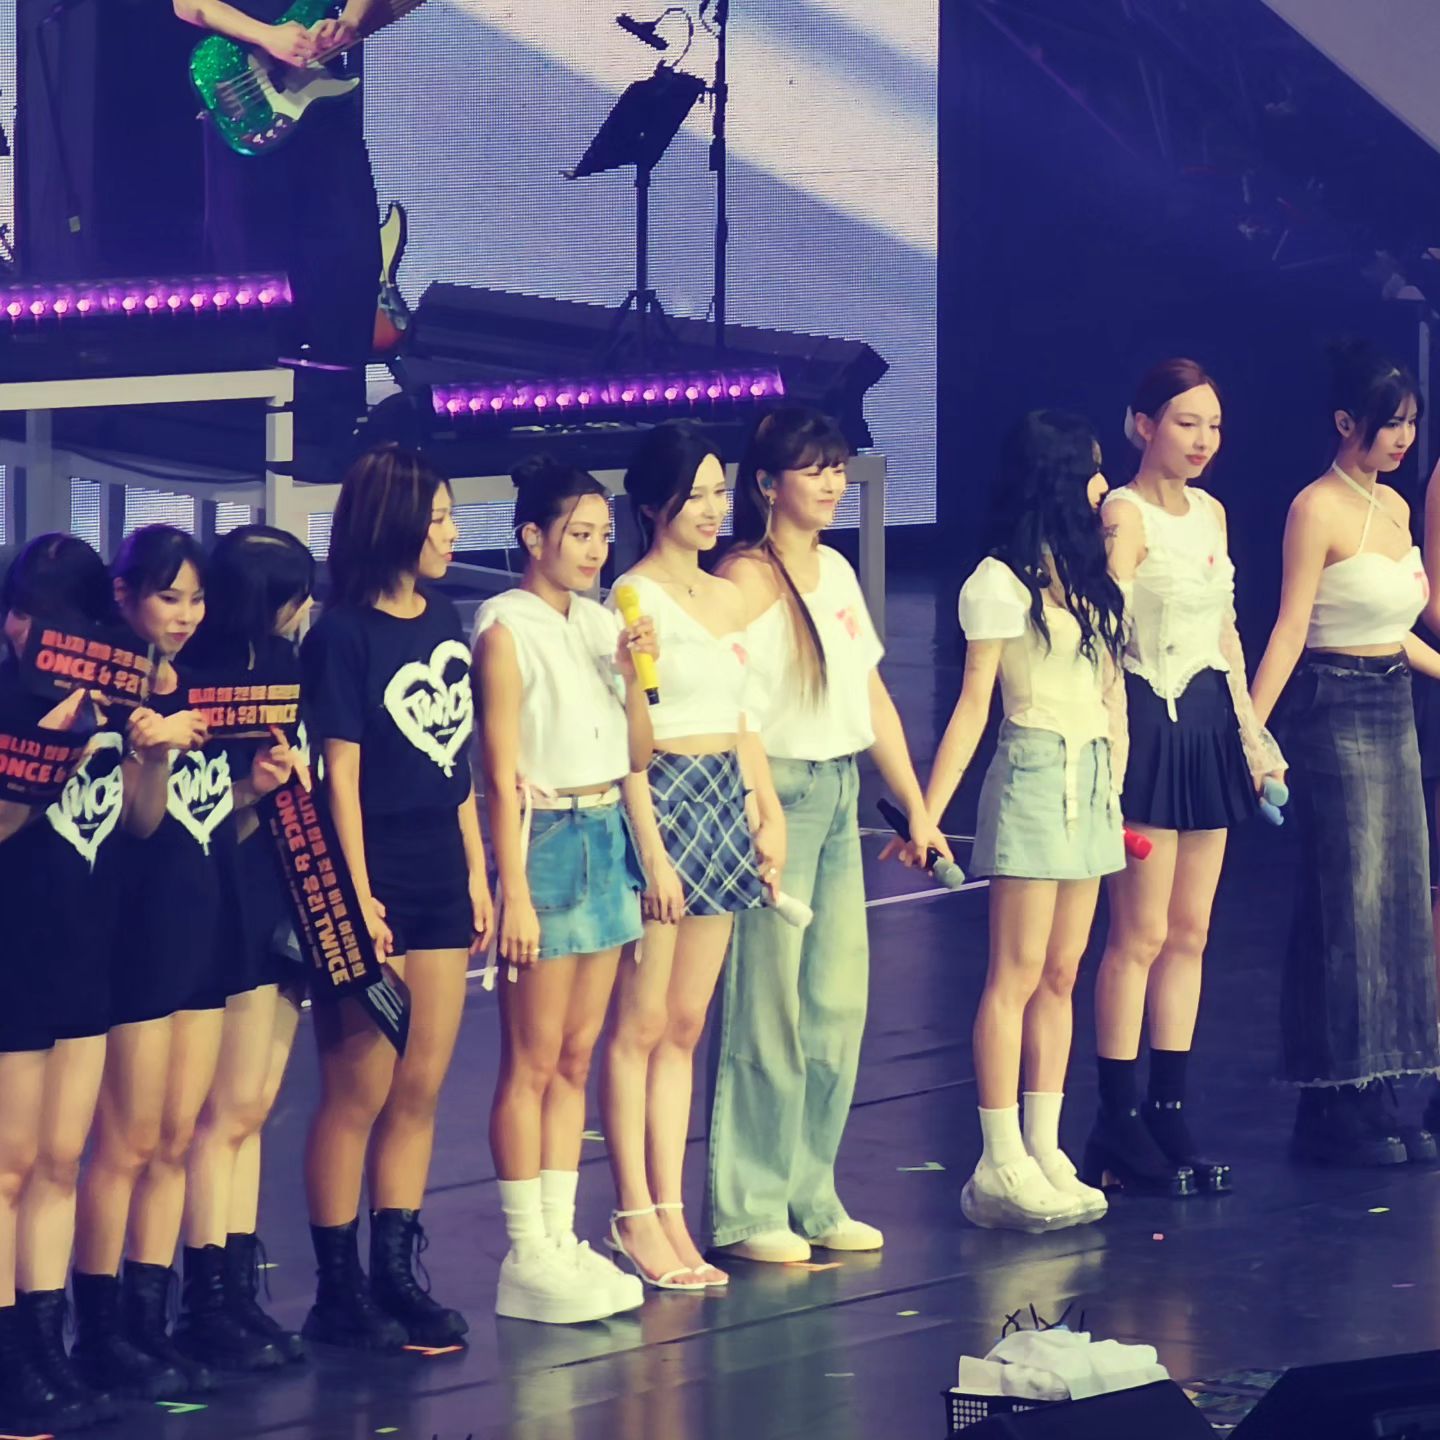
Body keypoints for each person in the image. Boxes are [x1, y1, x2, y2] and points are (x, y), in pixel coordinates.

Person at [707, 405, 950, 1264]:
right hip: (775, 794)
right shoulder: (744, 577)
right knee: (765, 1008)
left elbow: (869, 694)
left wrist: (917, 805)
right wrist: (757, 803)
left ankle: (812, 1192)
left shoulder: (837, 571)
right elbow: (723, 698)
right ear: (767, 484)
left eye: (839, 467)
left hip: (839, 791)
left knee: (836, 1005)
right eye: (813, 469)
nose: (832, 483)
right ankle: (749, 1208)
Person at [72, 526, 298, 1391]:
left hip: (204, 927)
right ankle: (99, 1331)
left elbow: (202, 821)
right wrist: (149, 744)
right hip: (133, 935)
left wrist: (251, 790)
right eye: (169, 596)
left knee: (174, 1136)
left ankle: (153, 1318)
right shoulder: (106, 697)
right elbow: (133, 827)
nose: (186, 614)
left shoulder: (200, 688)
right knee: (126, 1142)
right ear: (125, 596)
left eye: (196, 598)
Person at [300, 447, 492, 1350]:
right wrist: (357, 894)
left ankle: (396, 1274)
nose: (451, 534)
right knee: (357, 1091)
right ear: (396, 523)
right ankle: (338, 1291)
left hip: (440, 871)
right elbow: (339, 776)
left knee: (419, 1087)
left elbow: (457, 763)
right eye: (439, 518)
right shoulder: (342, 636)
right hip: (369, 875)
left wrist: (478, 871)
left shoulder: (445, 618)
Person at [919, 412, 1124, 1232]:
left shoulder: (1086, 574)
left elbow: (1107, 692)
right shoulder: (996, 583)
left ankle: (1045, 1144)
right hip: (1036, 774)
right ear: (1059, 476)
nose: (1104, 486)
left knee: (1063, 972)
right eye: (1093, 470)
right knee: (1017, 971)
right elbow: (973, 707)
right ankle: (997, 1156)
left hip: (1090, 776)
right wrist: (930, 813)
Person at [1087, 359, 1283, 1198]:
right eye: (1186, 422)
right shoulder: (1122, 514)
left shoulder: (1213, 513)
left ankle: (1170, 1109)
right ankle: (1116, 1119)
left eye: (1213, 425)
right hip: (1147, 721)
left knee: (1191, 931)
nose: (1204, 440)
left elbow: (1226, 635)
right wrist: (1108, 750)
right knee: (1138, 933)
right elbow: (1104, 636)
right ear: (1144, 425)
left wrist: (1253, 739)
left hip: (1206, 722)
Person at [600, 422, 786, 1289]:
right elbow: (628, 736)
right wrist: (652, 850)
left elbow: (743, 717)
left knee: (684, 1026)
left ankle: (672, 1211)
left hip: (723, 797)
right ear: (653, 505)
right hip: (664, 796)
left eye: (719, 491)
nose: (713, 509)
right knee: (639, 1026)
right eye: (695, 494)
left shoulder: (726, 593)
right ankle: (633, 1211)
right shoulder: (631, 596)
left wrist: (766, 807)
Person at [1249, 341, 1440, 1164]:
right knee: (1349, 905)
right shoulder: (1315, 507)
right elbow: (1292, 626)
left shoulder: (1395, 507)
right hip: (1333, 707)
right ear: (1343, 421)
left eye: (1410, 423)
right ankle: (1335, 1098)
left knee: (1397, 898)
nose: (1401, 439)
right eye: (1387, 423)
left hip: (1395, 704)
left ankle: (1385, 1079)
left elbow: (1396, 629)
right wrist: (1252, 729)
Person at [475, 455, 656, 1323]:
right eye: (579, 534)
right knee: (533, 1057)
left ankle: (560, 1234)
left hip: (604, 829)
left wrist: (634, 673)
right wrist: (511, 888)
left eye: (603, 536)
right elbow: (496, 768)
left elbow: (638, 753)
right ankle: (526, 1250)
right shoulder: (504, 628)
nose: (594, 550)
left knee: (577, 1056)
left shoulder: (599, 622)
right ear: (533, 537)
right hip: (543, 838)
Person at [0, 535, 173, 1430]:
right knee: (9, 1165)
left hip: (88, 950)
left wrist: (151, 749)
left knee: (61, 1160)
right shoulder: (11, 702)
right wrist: (47, 747)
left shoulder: (109, 705)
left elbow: (140, 824)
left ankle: (47, 1343)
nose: (41, 635)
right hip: (15, 951)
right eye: (30, 617)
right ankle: (8, 1359)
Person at [176, 526, 317, 1363]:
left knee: (256, 1105)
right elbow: (178, 822)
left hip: (282, 892)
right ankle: (205, 1301)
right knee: (223, 1111)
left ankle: (237, 1287)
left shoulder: (286, 665)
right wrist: (245, 791)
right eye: (295, 594)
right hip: (218, 901)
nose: (304, 608)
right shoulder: (191, 681)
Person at [176, 0, 386, 435]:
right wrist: (268, 37)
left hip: (325, 106)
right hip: (246, 97)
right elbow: (188, 5)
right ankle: (255, 421)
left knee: (352, 257)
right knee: (253, 273)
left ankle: (338, 419)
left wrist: (349, 21)